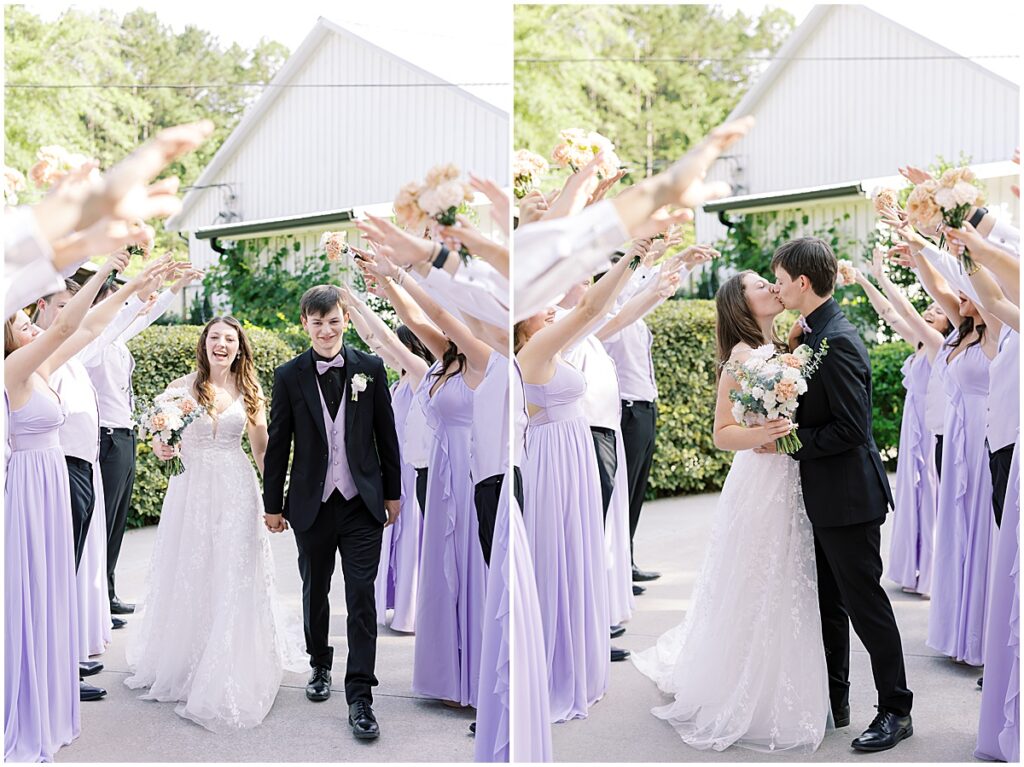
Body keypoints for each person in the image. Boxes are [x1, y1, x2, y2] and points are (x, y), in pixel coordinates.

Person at [632, 270, 828, 752]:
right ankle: (746, 687)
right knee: (757, 578)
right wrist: (765, 434)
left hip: (795, 476)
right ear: (741, 305)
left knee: (792, 576)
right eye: (760, 285)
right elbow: (722, 433)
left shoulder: (789, 345)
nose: (771, 288)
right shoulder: (739, 361)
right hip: (761, 482)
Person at [766, 237, 912, 752]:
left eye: (780, 280)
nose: (777, 289)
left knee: (865, 604)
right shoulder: (810, 333)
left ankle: (896, 708)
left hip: (850, 498)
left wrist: (789, 440)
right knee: (830, 603)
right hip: (824, 497)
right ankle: (837, 700)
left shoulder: (840, 339)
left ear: (802, 283)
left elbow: (853, 427)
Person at [124, 317, 304, 731]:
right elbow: (157, 437)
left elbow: (263, 453)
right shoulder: (178, 388)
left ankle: (230, 660)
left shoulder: (251, 392)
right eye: (215, 337)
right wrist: (162, 448)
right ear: (203, 343)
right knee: (191, 570)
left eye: (230, 339)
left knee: (235, 571)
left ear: (240, 348)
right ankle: (188, 659)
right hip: (191, 492)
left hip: (237, 490)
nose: (221, 344)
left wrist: (277, 500)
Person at [263, 285, 402, 741]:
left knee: (362, 595)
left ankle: (360, 694)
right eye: (317, 322)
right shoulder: (288, 375)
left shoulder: (371, 369)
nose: (326, 330)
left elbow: (387, 435)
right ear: (304, 323)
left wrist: (394, 492)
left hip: (363, 502)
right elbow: (279, 443)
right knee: (314, 589)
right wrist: (272, 505)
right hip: (311, 504)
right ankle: (319, 663)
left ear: (346, 320)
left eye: (334, 321)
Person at [4, 250, 127, 761]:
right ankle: (25, 700)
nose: (33, 324)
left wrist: (123, 285)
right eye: (20, 319)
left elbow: (87, 325)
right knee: (32, 592)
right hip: (31, 492)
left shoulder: (43, 370)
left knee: (54, 589)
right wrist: (90, 263)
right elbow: (64, 325)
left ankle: (50, 691)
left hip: (52, 486)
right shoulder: (14, 370)